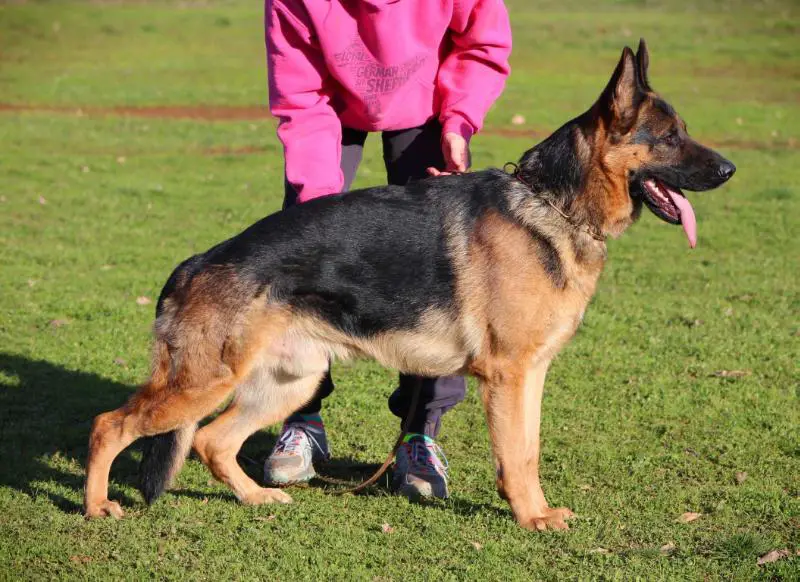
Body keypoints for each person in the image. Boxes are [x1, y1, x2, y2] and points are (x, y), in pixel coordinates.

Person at [263, 0, 511, 499]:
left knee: (438, 264)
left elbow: (482, 44)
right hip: (329, 106)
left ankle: (420, 433)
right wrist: (317, 206)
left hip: (431, 107)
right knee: (303, 250)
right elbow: (301, 95)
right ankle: (302, 419)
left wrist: (459, 124)